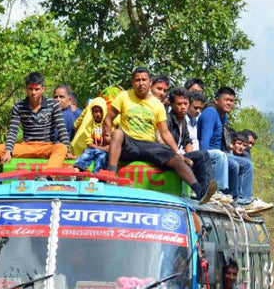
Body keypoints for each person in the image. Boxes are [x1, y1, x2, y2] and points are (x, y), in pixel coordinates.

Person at [103, 67, 209, 200]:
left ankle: (200, 192)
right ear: (132, 82)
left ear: (150, 82)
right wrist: (107, 136)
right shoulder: (124, 96)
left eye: (144, 80)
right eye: (137, 80)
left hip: (148, 144)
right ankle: (110, 177)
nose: (141, 83)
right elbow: (108, 118)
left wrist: (178, 152)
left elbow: (165, 133)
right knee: (118, 133)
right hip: (129, 142)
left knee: (177, 159)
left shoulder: (157, 104)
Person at [0, 72, 70, 186]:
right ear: (26, 89)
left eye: (37, 89)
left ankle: (46, 178)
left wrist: (67, 150)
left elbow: (62, 129)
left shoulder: (53, 105)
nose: (33, 92)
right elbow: (13, 130)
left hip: (46, 146)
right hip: (26, 146)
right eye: (30, 89)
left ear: (43, 89)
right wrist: (8, 151)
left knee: (61, 148)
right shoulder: (19, 106)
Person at [197, 87, 271, 214]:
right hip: (210, 153)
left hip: (221, 154)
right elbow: (204, 140)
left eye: (232, 101)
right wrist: (204, 160)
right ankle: (239, 199)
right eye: (226, 99)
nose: (229, 103)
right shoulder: (211, 112)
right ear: (217, 100)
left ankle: (238, 199)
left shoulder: (223, 117)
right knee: (240, 164)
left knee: (240, 164)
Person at [164, 86, 217, 202]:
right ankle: (202, 192)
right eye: (179, 104)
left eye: (185, 103)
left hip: (178, 155)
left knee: (202, 155)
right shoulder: (167, 119)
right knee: (200, 155)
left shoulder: (182, 120)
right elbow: (163, 141)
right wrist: (183, 157)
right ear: (172, 104)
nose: (183, 107)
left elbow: (187, 141)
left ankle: (208, 190)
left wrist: (191, 156)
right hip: (168, 156)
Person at [72, 100, 110, 173]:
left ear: (105, 111)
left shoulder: (108, 124)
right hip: (94, 148)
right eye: (95, 112)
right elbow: (89, 144)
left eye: (100, 112)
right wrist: (101, 148)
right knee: (86, 153)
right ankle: (76, 170)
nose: (98, 114)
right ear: (92, 113)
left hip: (105, 151)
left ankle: (97, 176)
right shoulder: (89, 125)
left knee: (102, 157)